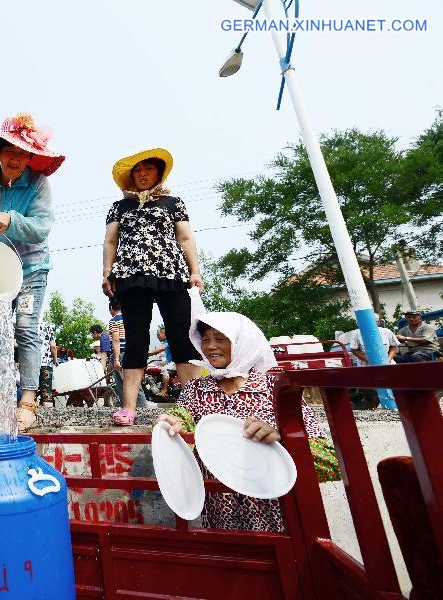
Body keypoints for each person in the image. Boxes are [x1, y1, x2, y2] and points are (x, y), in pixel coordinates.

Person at [156, 312, 340, 532]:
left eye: (221, 339)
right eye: (205, 340)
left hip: (275, 511)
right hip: (220, 513)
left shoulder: (277, 390)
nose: (211, 346)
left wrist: (283, 439)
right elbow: (183, 418)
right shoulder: (196, 389)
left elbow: (330, 461)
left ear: (243, 342)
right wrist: (174, 422)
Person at [0, 112, 64, 432]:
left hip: (32, 269)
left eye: (24, 153)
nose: (17, 159)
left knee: (24, 328)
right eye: (11, 151)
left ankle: (28, 400)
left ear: (31, 157)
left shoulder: (38, 185)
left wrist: (10, 219)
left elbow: (40, 228)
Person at [102, 148, 203, 426]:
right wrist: (107, 273)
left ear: (158, 173)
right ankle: (129, 407)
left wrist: (195, 271)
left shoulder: (173, 202)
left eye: (148, 168)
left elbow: (185, 237)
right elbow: (111, 242)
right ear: (131, 176)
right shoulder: (119, 207)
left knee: (181, 337)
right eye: (138, 170)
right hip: (131, 275)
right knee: (136, 339)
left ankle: (194, 406)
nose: (143, 173)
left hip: (171, 272)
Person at [38, 320, 58, 408]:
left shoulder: (28, 324)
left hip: (30, 362)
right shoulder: (49, 326)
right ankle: (48, 418)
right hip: (46, 363)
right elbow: (53, 346)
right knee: (47, 393)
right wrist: (55, 360)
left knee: (31, 391)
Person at [147, 327, 173, 397]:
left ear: (164, 334)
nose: (157, 336)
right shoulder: (165, 342)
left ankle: (164, 391)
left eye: (158, 334)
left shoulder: (169, 340)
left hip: (175, 363)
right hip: (170, 363)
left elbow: (161, 349)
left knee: (164, 369)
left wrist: (147, 354)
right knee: (152, 364)